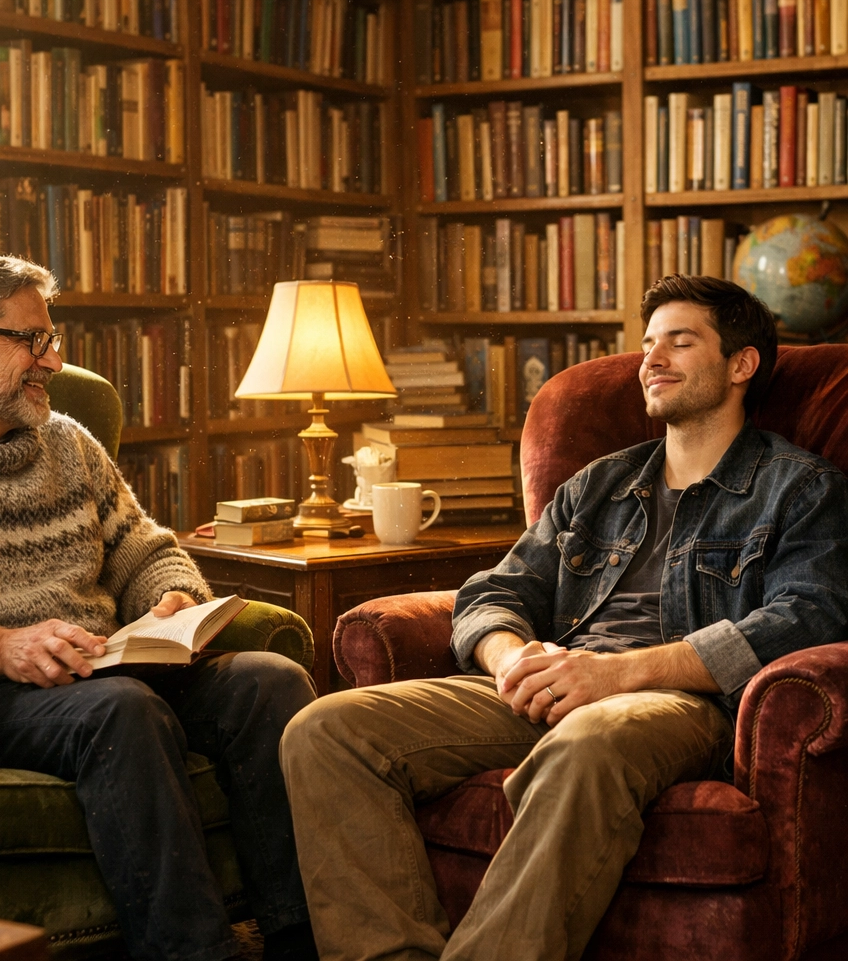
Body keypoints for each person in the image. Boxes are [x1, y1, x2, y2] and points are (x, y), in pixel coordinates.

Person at [279, 275, 848, 961]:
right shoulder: (600, 483)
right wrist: (510, 657)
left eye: (680, 340)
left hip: (677, 698)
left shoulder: (801, 488)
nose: (652, 359)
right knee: (326, 730)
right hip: (557, 678)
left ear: (741, 364)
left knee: (587, 741)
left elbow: (807, 617)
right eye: (647, 343)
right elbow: (497, 589)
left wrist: (612, 676)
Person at [0, 251, 318, 961]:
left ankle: (303, 938)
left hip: (109, 666)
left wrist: (171, 599)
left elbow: (146, 549)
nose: (52, 361)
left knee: (270, 681)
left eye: (49, 341)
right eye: (33, 340)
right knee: (122, 709)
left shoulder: (69, 445)